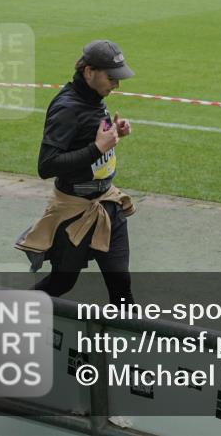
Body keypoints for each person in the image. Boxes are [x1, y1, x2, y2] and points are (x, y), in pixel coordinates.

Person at [15, 40, 136, 304]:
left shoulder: (94, 97)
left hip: (108, 204)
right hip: (74, 213)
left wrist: (114, 133)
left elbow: (87, 140)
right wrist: (98, 147)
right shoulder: (67, 107)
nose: (116, 84)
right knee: (62, 282)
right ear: (89, 72)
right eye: (111, 78)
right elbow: (47, 165)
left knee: (122, 289)